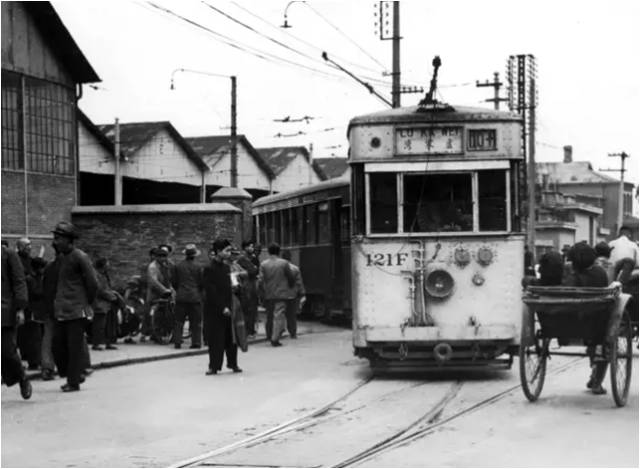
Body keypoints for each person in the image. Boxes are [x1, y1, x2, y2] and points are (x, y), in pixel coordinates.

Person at [50, 221, 98, 392]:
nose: (54, 242)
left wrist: (86, 303)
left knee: (74, 347)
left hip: (77, 311)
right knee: (57, 346)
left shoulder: (80, 257)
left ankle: (73, 381)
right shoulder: (61, 259)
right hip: (62, 310)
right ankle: (74, 374)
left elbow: (92, 283)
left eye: (58, 238)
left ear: (68, 240)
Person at [562, 242, 609, 395]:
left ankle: (594, 373)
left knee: (594, 339)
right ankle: (597, 380)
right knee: (602, 343)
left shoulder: (570, 276)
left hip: (568, 322)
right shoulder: (600, 273)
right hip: (596, 323)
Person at [202, 239, 242, 374]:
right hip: (214, 310)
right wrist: (222, 307)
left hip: (229, 307)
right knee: (216, 339)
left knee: (231, 338)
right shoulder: (209, 269)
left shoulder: (227, 268)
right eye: (227, 250)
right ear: (218, 251)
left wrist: (236, 287)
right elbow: (210, 291)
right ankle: (214, 366)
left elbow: (233, 285)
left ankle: (233, 364)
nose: (229, 253)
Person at [1, 244, 32, 400]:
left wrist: (20, 309)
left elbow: (19, 282)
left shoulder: (8, 255)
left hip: (5, 312)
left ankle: (21, 377)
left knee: (7, 352)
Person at [258, 243, 295, 347]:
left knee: (269, 315)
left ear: (269, 252)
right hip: (282, 293)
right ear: (279, 251)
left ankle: (269, 335)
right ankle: (275, 339)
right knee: (279, 315)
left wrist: (262, 291)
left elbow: (260, 280)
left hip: (268, 293)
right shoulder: (284, 263)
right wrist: (289, 286)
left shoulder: (264, 264)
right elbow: (291, 277)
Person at [16, 237, 41, 371]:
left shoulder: (30, 261)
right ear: (20, 247)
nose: (30, 248)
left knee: (31, 332)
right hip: (25, 302)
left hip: (32, 302)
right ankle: (32, 359)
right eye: (27, 246)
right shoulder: (17, 261)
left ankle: (33, 359)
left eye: (30, 245)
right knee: (28, 333)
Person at [172, 243, 203, 349]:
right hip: (195, 297)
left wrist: (180, 289)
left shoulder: (178, 266)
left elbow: (174, 282)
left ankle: (177, 341)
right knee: (196, 321)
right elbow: (201, 283)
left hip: (181, 296)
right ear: (195, 255)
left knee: (179, 320)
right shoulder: (199, 267)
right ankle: (196, 342)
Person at [92, 257, 122, 351]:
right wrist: (112, 296)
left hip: (108, 303)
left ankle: (109, 342)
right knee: (99, 325)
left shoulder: (104, 275)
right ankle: (96, 343)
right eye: (107, 264)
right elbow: (100, 290)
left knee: (109, 325)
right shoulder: (96, 275)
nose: (108, 266)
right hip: (100, 303)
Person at [146, 245, 175, 344]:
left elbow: (169, 278)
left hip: (166, 294)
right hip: (156, 294)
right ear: (157, 257)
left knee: (167, 314)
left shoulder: (165, 265)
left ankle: (165, 333)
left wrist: (171, 288)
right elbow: (153, 281)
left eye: (165, 257)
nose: (163, 259)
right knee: (157, 316)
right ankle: (156, 334)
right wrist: (164, 290)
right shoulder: (152, 267)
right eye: (161, 257)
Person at [236, 240, 259, 337]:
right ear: (245, 247)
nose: (252, 248)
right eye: (250, 246)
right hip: (247, 286)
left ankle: (250, 329)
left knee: (250, 309)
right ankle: (248, 330)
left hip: (250, 285)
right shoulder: (242, 258)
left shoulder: (252, 258)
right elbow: (254, 270)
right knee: (248, 309)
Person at [281, 250, 306, 339]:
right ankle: (293, 332)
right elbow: (299, 283)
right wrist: (302, 294)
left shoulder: (280, 268)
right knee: (291, 315)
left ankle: (279, 330)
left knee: (280, 313)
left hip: (281, 294)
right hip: (292, 294)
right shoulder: (295, 268)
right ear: (290, 258)